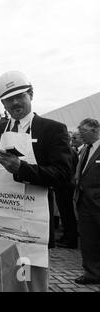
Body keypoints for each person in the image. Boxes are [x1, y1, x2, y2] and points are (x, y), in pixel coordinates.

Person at [0, 71, 73, 292]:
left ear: (31, 94)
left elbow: (63, 175)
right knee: (1, 280)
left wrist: (22, 169)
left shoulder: (52, 130)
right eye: (8, 98)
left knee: (26, 282)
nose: (14, 102)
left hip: (31, 227)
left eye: (20, 95)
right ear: (2, 102)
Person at [73, 118, 100, 285]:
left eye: (83, 131)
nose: (80, 134)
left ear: (95, 130)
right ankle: (92, 273)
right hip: (84, 203)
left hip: (97, 201)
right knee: (88, 240)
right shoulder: (85, 150)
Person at [54, 132, 79, 249]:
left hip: (65, 186)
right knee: (66, 214)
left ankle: (70, 239)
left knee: (67, 214)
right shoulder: (71, 151)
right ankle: (67, 236)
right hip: (66, 185)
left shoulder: (68, 151)